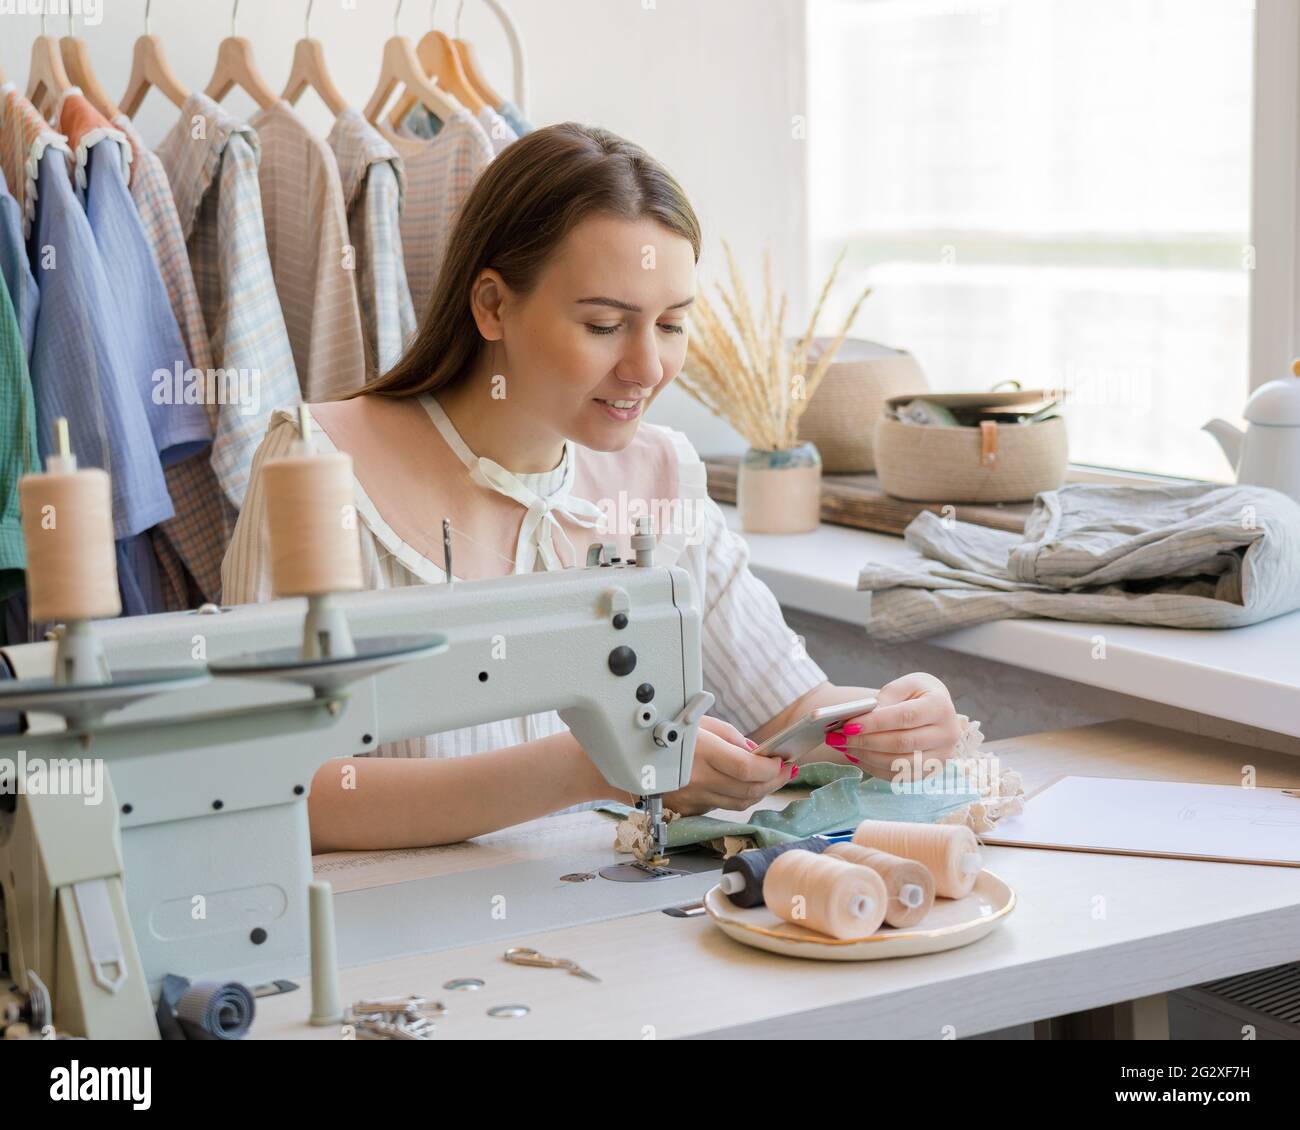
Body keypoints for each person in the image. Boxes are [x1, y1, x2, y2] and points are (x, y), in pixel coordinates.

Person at [222, 123, 962, 853]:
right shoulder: (318, 464)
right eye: (606, 324)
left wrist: (885, 721)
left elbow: (791, 709)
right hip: (399, 945)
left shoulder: (663, 476)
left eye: (672, 325)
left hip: (611, 934)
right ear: (492, 306)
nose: (646, 367)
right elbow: (268, 786)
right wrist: (591, 770)